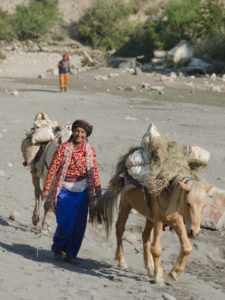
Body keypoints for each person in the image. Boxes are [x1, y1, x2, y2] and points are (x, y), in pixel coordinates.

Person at [41, 119, 101, 262]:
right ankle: (58, 248)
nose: (79, 134)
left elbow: (95, 171)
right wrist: (46, 188)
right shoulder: (63, 148)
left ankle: (71, 254)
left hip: (83, 191)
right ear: (73, 132)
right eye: (77, 131)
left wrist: (98, 190)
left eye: (82, 132)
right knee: (65, 223)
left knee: (79, 226)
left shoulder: (90, 150)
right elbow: (53, 169)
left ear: (86, 135)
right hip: (65, 190)